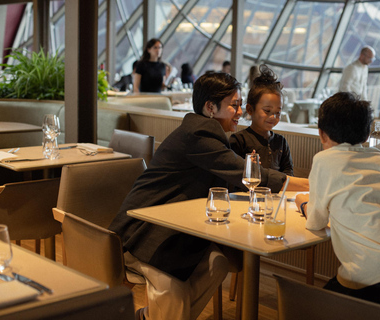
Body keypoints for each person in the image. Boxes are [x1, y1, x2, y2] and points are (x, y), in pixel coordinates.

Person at [109, 71, 308, 320]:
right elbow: (244, 173)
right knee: (175, 292)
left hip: (175, 229)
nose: (239, 112)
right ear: (210, 107)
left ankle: (150, 317)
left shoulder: (206, 132)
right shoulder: (200, 135)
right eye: (234, 106)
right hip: (143, 232)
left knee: (218, 264)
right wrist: (309, 184)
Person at [295, 92, 380, 307]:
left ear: (321, 134)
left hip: (376, 271)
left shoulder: (324, 160)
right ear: (367, 134)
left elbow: (315, 222)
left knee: (316, 307)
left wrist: (303, 202)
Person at [230, 64, 293, 176]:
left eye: (277, 112)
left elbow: (288, 174)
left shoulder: (281, 142)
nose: (273, 117)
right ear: (250, 109)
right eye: (267, 111)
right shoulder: (239, 140)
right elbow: (233, 177)